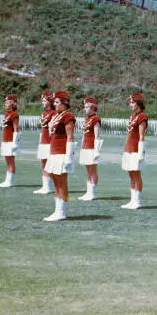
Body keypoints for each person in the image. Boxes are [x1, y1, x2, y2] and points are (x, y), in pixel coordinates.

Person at [43, 91, 76, 221]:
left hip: (62, 153)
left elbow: (70, 137)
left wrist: (68, 157)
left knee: (61, 182)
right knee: (56, 182)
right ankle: (57, 210)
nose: (54, 104)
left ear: (64, 103)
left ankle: (61, 212)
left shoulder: (68, 116)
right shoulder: (57, 116)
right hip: (54, 152)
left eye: (57, 102)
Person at [121, 93, 148, 210]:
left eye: (132, 102)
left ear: (139, 103)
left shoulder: (142, 117)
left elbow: (142, 136)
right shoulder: (132, 117)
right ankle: (132, 200)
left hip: (136, 149)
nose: (130, 105)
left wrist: (140, 153)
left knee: (136, 175)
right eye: (130, 102)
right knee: (131, 174)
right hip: (129, 147)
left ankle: (137, 201)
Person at [77, 97, 102, 201]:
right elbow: (84, 135)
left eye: (87, 107)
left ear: (93, 108)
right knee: (88, 171)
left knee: (93, 171)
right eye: (84, 107)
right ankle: (88, 192)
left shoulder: (96, 119)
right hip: (85, 147)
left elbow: (97, 136)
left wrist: (96, 151)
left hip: (92, 148)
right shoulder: (86, 119)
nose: (85, 109)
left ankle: (92, 193)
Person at [33, 92, 55, 194]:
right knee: (43, 164)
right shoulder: (43, 114)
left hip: (50, 142)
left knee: (49, 164)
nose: (42, 102)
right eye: (42, 100)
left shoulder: (53, 113)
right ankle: (45, 186)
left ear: (50, 102)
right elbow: (43, 129)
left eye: (44, 100)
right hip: (43, 141)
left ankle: (48, 187)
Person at [0, 95, 20, 187]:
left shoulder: (14, 115)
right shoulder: (7, 114)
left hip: (11, 141)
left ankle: (10, 181)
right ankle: (7, 180)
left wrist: (14, 143)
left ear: (13, 104)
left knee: (11, 162)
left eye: (8, 103)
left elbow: (16, 129)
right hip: (5, 140)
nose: (6, 104)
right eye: (5, 103)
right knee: (7, 161)